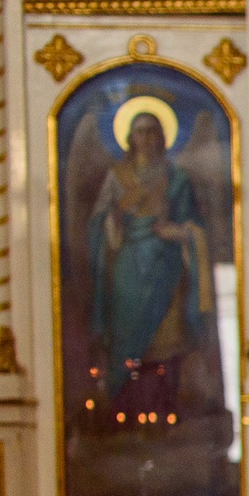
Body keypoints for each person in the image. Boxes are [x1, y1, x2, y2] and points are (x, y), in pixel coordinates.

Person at [87, 108, 213, 419]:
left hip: (167, 269)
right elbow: (99, 223)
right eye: (140, 131)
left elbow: (194, 225)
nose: (147, 138)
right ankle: (126, 411)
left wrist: (179, 232)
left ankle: (165, 409)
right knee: (127, 342)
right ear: (129, 138)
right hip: (128, 270)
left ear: (163, 137)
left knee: (167, 341)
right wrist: (113, 220)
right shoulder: (117, 178)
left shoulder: (177, 178)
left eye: (153, 131)